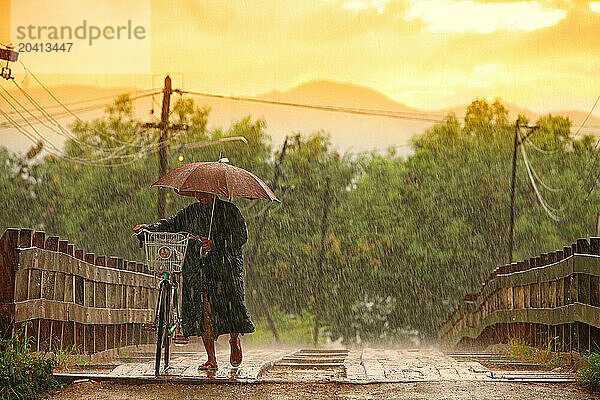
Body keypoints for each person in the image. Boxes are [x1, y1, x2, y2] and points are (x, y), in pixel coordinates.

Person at [134, 192, 255, 370]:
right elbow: (170, 224)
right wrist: (148, 229)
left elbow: (241, 236)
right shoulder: (191, 212)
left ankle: (234, 339)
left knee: (231, 309)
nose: (200, 197)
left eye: (204, 194)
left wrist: (217, 243)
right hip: (199, 269)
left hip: (224, 270)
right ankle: (211, 359)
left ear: (213, 193)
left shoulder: (230, 211)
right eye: (198, 194)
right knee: (203, 310)